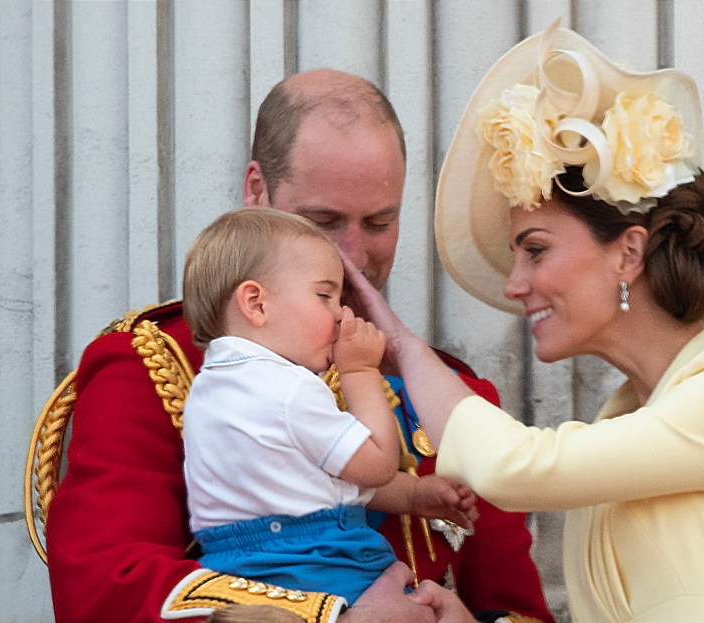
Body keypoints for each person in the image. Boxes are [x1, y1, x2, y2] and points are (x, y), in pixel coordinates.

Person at [345, 23, 704, 623]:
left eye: (536, 250)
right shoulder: (627, 416)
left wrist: (404, 348)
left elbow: (508, 468)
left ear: (629, 252)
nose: (513, 284)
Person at [45, 69, 554, 623]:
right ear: (257, 190)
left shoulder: (451, 390)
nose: (353, 256)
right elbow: (104, 585)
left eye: (380, 221)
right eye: (323, 222)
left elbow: (518, 608)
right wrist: (333, 617)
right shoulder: (156, 366)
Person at [181, 209, 476, 604]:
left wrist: (414, 495)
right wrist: (359, 372)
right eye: (324, 296)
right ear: (256, 304)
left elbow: (311, 485)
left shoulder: (207, 390)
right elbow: (376, 465)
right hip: (316, 561)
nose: (341, 315)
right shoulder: (289, 387)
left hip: (236, 572)